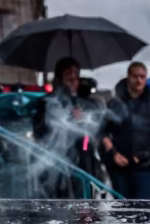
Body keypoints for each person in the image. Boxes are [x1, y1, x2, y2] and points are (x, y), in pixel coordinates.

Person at [31, 57, 101, 198]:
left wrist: (82, 122)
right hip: (56, 164)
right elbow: (39, 132)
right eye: (68, 72)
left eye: (76, 72)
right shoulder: (46, 102)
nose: (73, 77)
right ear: (60, 76)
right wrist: (62, 120)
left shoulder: (85, 102)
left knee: (83, 204)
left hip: (82, 163)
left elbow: (90, 137)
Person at [100, 62, 150, 200]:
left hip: (143, 167)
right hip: (118, 166)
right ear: (128, 77)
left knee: (143, 210)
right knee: (122, 210)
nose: (139, 80)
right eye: (135, 76)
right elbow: (103, 132)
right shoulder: (114, 104)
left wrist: (149, 155)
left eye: (142, 77)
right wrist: (113, 153)